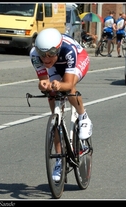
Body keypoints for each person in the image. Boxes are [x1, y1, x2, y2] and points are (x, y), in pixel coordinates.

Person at [29, 28, 93, 182]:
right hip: (57, 67)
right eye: (42, 54)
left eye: (50, 54)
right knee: (53, 104)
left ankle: (83, 116)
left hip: (78, 59)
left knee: (69, 88)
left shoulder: (68, 50)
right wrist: (44, 85)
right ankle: (59, 160)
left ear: (57, 49)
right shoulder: (34, 55)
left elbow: (68, 83)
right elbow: (43, 79)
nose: (45, 58)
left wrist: (61, 84)